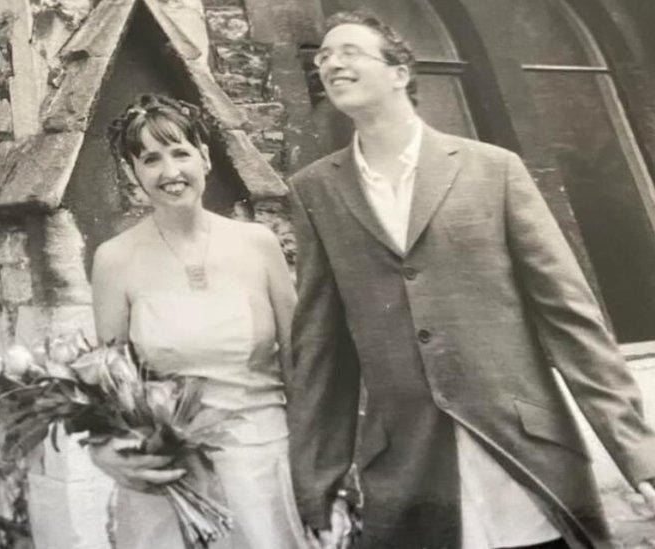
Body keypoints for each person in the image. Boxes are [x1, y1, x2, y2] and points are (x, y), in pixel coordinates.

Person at [287, 10, 655, 549]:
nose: (331, 62)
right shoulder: (315, 191)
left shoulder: (494, 169)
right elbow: (322, 352)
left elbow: (573, 324)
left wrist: (639, 456)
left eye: (349, 51)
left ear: (399, 73)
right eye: (322, 56)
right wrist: (319, 487)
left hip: (525, 459)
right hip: (411, 475)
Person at [88, 93, 309, 548]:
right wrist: (105, 449)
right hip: (173, 472)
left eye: (180, 153)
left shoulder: (258, 244)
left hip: (264, 464)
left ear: (205, 158)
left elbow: (300, 363)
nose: (170, 172)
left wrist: (320, 468)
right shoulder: (114, 260)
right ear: (133, 175)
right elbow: (111, 383)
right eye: (150, 159)